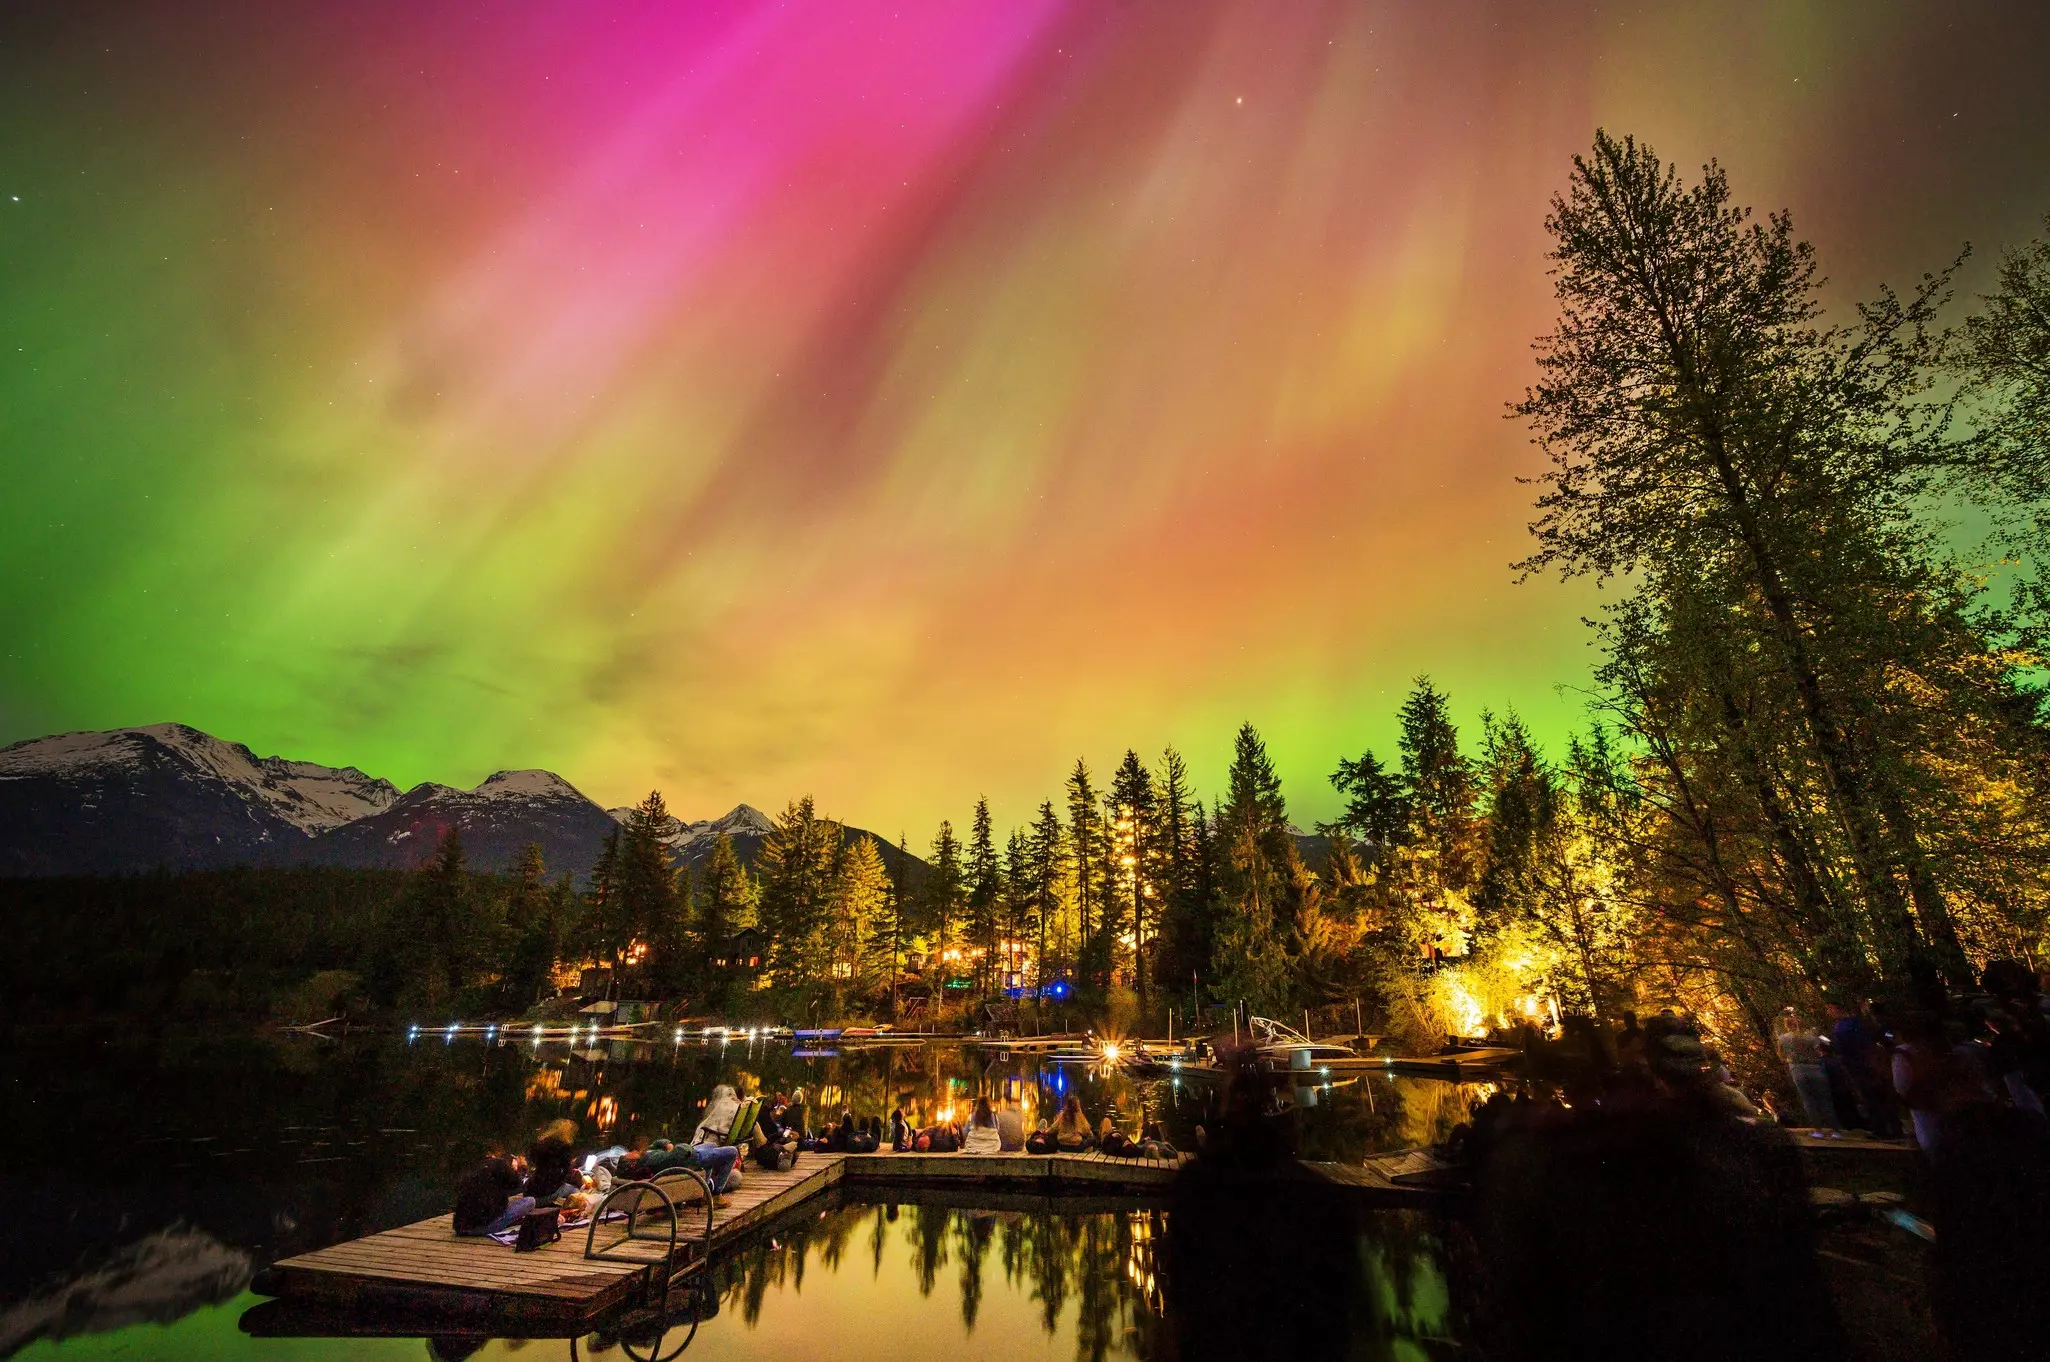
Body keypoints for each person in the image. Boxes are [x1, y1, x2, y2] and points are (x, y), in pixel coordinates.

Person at [1775, 1010, 1839, 1133]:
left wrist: (1790, 1059)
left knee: (1808, 1100)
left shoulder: (1782, 1039)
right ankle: (1836, 1130)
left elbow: (1781, 1056)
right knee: (1824, 1099)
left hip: (1797, 1069)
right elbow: (1824, 1047)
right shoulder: (1810, 1037)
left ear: (1786, 1026)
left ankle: (1818, 1130)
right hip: (1815, 1067)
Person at [454, 1153, 533, 1236]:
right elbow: (516, 1185)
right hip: (485, 1226)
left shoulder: (475, 1169)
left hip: (461, 1227)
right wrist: (515, 1169)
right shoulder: (500, 1165)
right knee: (530, 1201)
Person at [524, 1119, 582, 1203]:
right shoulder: (564, 1148)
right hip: (548, 1194)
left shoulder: (538, 1146)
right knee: (576, 1191)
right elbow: (565, 1173)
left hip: (530, 1192)